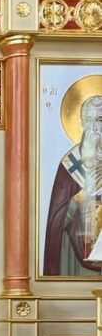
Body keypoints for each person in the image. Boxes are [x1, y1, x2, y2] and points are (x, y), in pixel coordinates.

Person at [44, 94, 102, 274]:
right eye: (90, 120)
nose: (95, 127)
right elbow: (58, 222)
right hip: (78, 262)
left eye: (100, 120)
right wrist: (85, 193)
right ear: (82, 123)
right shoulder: (70, 164)